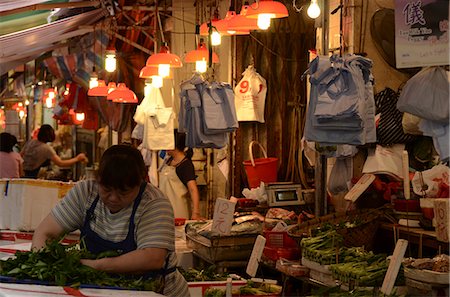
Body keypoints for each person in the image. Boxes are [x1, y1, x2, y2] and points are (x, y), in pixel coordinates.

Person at [31, 145, 189, 296]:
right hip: (101, 289)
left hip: (155, 291)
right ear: (97, 179)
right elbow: (45, 233)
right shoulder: (86, 192)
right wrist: (43, 267)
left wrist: (95, 266)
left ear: (141, 183)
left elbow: (152, 258)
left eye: (123, 192)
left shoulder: (154, 203)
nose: (113, 198)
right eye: (106, 189)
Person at [159, 131, 203, 220]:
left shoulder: (185, 165)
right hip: (164, 210)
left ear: (174, 145)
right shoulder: (168, 161)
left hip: (178, 212)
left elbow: (193, 189)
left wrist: (196, 212)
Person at [21, 124, 87, 178]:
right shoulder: (46, 148)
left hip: (22, 173)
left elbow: (20, 155)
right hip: (32, 175)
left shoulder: (30, 142)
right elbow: (60, 163)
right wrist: (77, 158)